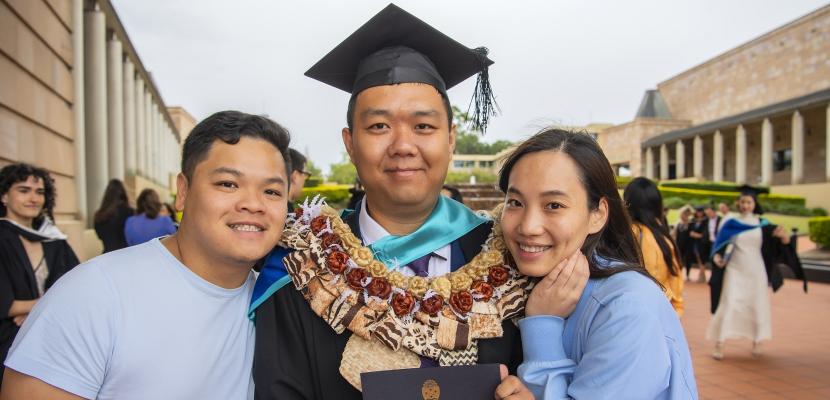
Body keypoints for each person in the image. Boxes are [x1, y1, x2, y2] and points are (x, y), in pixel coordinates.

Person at [249, 5, 517, 399]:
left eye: (423, 126)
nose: (403, 146)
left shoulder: (509, 261)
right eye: (379, 126)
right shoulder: (301, 269)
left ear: (451, 140)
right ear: (350, 144)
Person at [1, 111, 291, 399]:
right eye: (228, 184)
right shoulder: (95, 293)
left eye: (272, 191)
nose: (253, 204)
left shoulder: (277, 305)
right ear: (183, 190)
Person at [494, 129, 696, 400]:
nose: (528, 227)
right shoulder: (520, 281)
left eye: (553, 205)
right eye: (515, 202)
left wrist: (542, 322)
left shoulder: (626, 308)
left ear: (597, 214)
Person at [0, 163, 80, 388]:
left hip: (51, 341)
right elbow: (6, 306)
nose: (33, 198)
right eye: (23, 190)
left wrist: (35, 311)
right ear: (4, 196)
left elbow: (77, 289)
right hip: (8, 345)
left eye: (39, 192)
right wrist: (46, 307)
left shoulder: (54, 241)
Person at [705, 189, 807, 360]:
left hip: (756, 270)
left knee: (757, 304)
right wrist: (717, 257)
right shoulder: (731, 223)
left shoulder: (763, 224)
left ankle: (757, 340)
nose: (745, 205)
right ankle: (720, 343)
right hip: (734, 269)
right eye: (743, 202)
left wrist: (784, 239)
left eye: (749, 202)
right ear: (738, 203)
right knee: (729, 303)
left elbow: (777, 246)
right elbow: (719, 246)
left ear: (754, 204)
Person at [624, 177, 685, 316]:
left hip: (632, 314)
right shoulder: (664, 239)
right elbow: (676, 290)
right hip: (662, 314)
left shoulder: (625, 234)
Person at [93, 179, 134, 253]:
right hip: (126, 255)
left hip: (107, 255)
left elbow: (100, 236)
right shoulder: (130, 212)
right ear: (123, 193)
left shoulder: (99, 215)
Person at [672, 205, 694, 280]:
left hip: (688, 245)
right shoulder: (678, 223)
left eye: (686, 214)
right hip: (679, 244)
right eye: (683, 214)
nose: (684, 216)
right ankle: (679, 273)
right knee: (679, 259)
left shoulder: (690, 223)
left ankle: (687, 275)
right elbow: (674, 234)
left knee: (688, 260)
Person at [688, 206, 709, 282]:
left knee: (702, 258)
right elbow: (689, 230)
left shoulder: (706, 221)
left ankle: (701, 275)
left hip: (703, 243)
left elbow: (706, 233)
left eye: (700, 212)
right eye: (697, 212)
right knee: (698, 258)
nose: (699, 213)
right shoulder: (693, 220)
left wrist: (697, 235)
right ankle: (703, 276)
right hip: (694, 243)